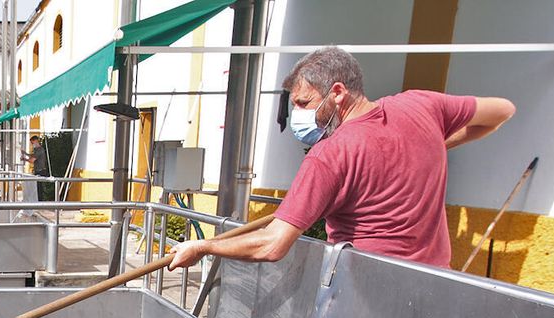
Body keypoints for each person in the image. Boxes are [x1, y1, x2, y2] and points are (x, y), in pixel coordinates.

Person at [168, 46, 515, 270]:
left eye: (303, 103)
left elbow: (272, 245)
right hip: (435, 282)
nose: (298, 115)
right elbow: (502, 111)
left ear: (337, 92)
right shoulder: (421, 105)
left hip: (366, 292)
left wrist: (204, 247)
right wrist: (432, 144)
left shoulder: (330, 155)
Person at [26, 135, 53, 202]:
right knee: (38, 187)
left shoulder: (39, 150)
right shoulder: (37, 150)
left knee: (39, 188)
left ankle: (40, 201)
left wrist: (24, 159)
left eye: (32, 143)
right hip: (38, 170)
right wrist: (26, 154)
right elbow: (33, 156)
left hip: (40, 171)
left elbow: (32, 160)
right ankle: (39, 200)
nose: (32, 144)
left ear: (36, 141)